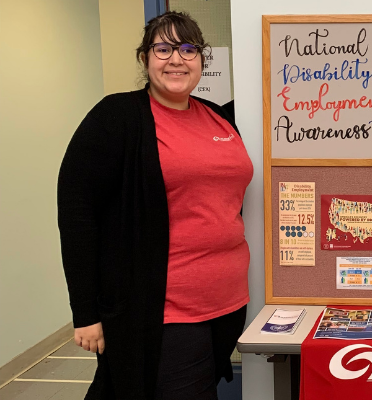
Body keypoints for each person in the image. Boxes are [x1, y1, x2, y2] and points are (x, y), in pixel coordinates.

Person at [57, 12, 252, 400]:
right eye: (163, 49)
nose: (176, 59)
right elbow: (77, 213)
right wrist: (86, 312)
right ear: (144, 58)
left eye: (187, 49)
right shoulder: (117, 118)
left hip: (227, 304)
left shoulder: (219, 117)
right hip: (163, 309)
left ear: (201, 59)